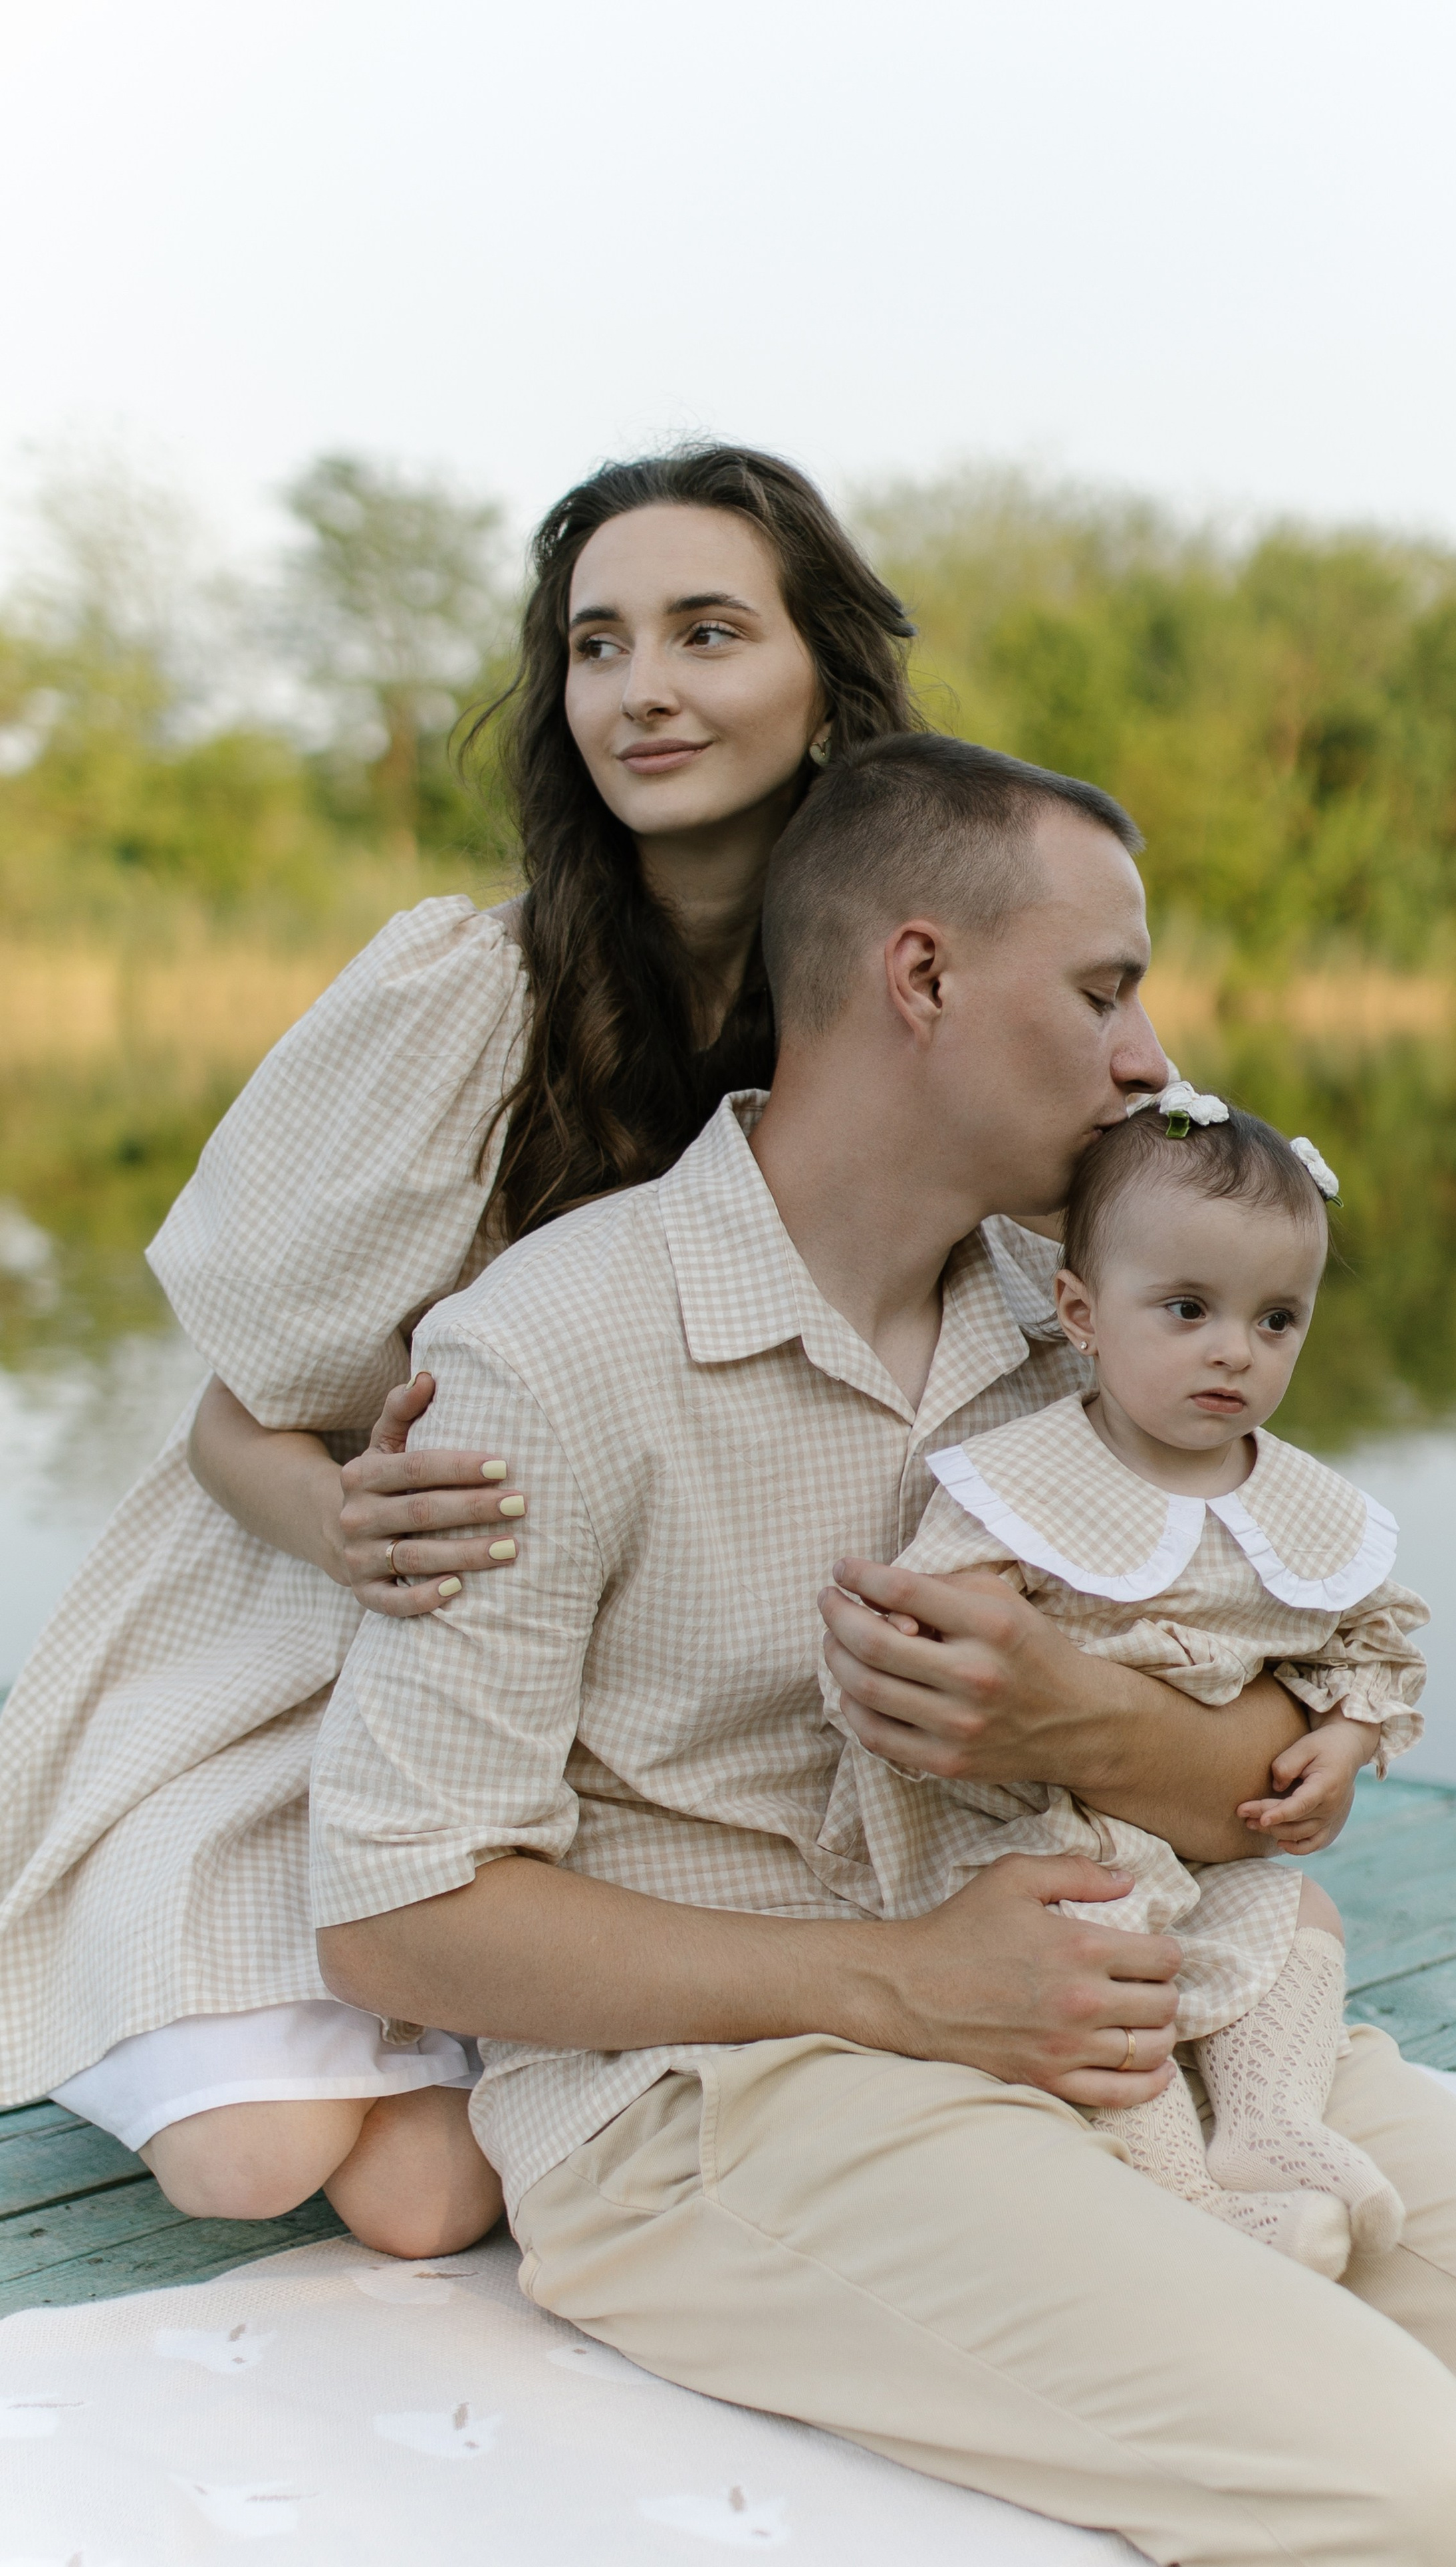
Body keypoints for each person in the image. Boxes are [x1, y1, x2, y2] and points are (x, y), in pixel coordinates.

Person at [313, 732, 1456, 2566]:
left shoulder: (1092, 1316)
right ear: (922, 977)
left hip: (1147, 2015)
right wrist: (904, 1984)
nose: (1149, 1053)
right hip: (717, 2100)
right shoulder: (549, 1352)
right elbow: (397, 1914)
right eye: (1106, 990)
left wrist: (1095, 1725)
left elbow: (1273, 1773)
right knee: (1388, 2481)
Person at [0, 443, 925, 2256]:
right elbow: (233, 1428)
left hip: (635, 1713)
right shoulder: (469, 993)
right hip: (322, 1653)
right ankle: (132, 1889)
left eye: (708, 632)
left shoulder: (907, 1006)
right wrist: (337, 1520)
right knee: (253, 2164)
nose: (643, 689)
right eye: (597, 645)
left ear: (827, 674)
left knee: (428, 2204)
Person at [818, 1091, 1429, 2279]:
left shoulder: (1291, 1498)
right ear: (1082, 1314)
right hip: (1027, 1834)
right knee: (1093, 1948)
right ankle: (1182, 2190)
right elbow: (924, 1638)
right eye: (1188, 1311)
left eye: (1276, 1320)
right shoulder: (1025, 1479)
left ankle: (1266, 2126)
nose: (1233, 1352)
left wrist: (1348, 1737)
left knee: (1302, 1914)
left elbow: (1374, 1633)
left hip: (1196, 1846)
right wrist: (952, 1646)